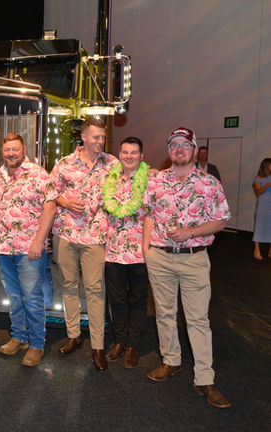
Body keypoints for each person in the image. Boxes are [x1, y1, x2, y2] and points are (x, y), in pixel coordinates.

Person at [142, 126, 231, 409]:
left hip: (194, 258)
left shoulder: (209, 182)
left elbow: (221, 221)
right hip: (160, 257)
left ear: (194, 149)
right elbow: (148, 215)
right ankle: (171, 361)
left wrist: (190, 233)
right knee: (164, 313)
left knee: (198, 320)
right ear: (169, 150)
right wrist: (146, 250)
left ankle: (204, 378)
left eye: (184, 144)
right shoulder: (156, 180)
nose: (179, 149)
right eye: (174, 145)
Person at [50, 118, 118, 372]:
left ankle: (97, 346)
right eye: (96, 137)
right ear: (84, 137)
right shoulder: (65, 163)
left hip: (95, 236)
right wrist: (66, 203)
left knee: (95, 289)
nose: (101, 141)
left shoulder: (112, 163)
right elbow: (50, 191)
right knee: (69, 285)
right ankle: (73, 336)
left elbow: (130, 181)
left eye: (103, 137)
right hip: (66, 233)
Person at [0, 133, 57, 367]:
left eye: (15, 149)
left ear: (24, 149)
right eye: (7, 150)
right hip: (4, 248)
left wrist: (39, 241)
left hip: (30, 250)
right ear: (2, 151)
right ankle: (19, 336)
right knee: (15, 297)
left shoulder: (38, 173)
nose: (11, 153)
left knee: (32, 298)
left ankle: (36, 344)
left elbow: (50, 208)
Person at [102, 136, 151, 369]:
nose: (129, 156)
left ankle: (133, 345)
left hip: (140, 252)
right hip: (113, 251)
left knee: (139, 300)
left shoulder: (151, 180)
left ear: (141, 156)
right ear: (119, 154)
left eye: (133, 153)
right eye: (125, 152)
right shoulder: (110, 178)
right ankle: (119, 341)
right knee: (117, 300)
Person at [252, 157, 271, 260]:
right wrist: (267, 185)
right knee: (259, 226)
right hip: (263, 206)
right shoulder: (258, 178)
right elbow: (258, 192)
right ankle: (256, 250)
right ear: (266, 166)